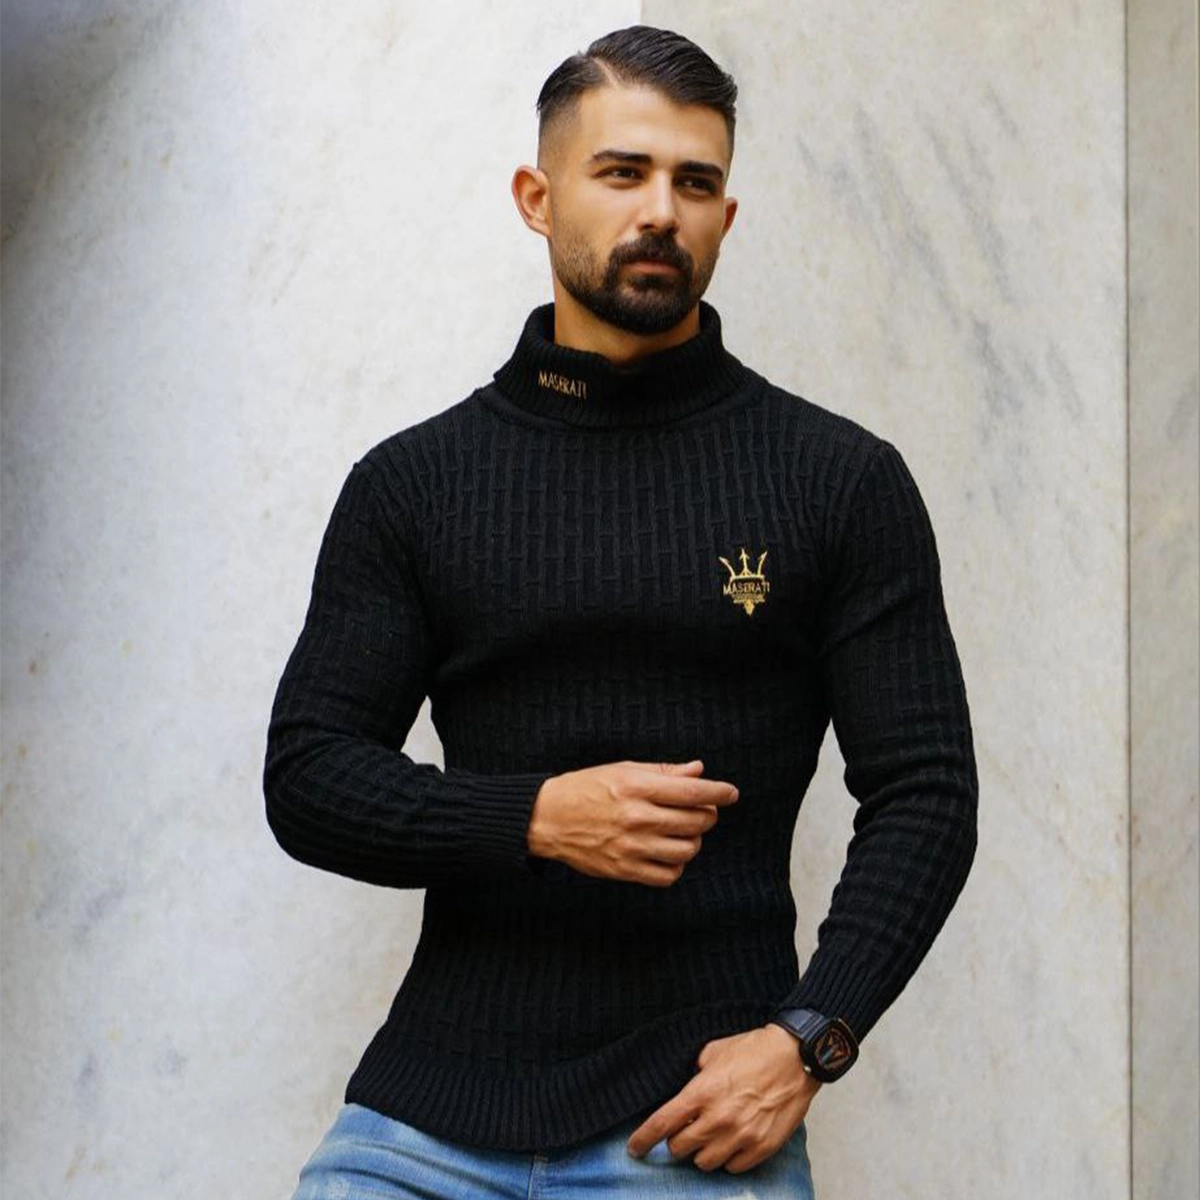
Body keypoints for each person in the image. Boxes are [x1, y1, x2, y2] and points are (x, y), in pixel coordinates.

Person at [264, 23, 978, 1199]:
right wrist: (536, 818)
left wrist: (812, 1038)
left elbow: (926, 793)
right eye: (622, 172)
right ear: (537, 198)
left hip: (690, 1131)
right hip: (422, 1127)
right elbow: (309, 777)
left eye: (695, 183)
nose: (661, 211)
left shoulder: (836, 480)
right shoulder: (415, 484)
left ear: (726, 218)